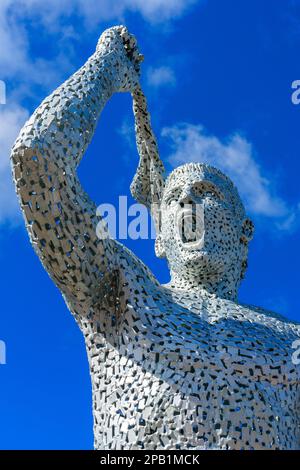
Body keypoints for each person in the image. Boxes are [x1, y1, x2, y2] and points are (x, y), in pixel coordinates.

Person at [11, 26, 300, 450]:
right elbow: (36, 159)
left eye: (205, 193)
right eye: (174, 199)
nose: (187, 203)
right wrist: (105, 70)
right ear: (160, 238)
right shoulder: (121, 294)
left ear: (244, 232)